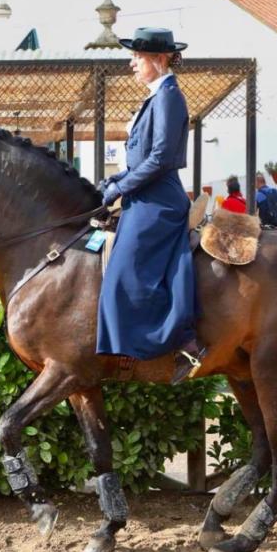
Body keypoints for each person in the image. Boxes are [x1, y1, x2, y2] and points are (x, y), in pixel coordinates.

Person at [95, 27, 205, 384]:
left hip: (158, 201)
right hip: (143, 194)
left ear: (159, 60)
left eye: (137, 58)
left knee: (121, 274)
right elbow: (141, 157)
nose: (132, 64)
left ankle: (172, 342)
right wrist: (113, 182)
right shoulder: (156, 96)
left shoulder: (170, 96)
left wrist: (121, 188)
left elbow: (159, 159)